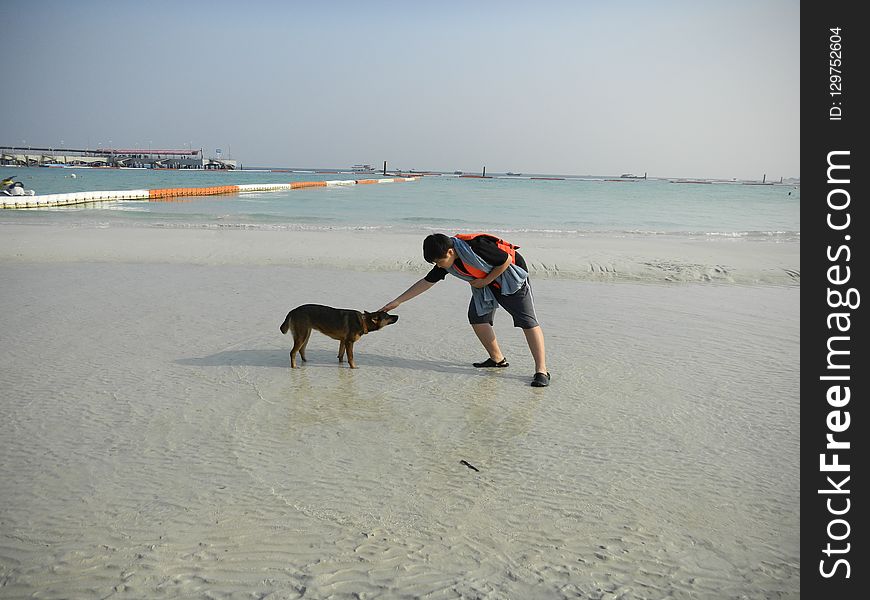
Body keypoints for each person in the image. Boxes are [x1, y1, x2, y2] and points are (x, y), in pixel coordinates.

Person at [379, 232, 550, 387]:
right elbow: (426, 282)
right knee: (477, 317)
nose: (439, 265)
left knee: (527, 322)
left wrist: (485, 281)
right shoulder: (446, 260)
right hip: (484, 281)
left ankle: (542, 371)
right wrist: (397, 301)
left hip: (511, 277)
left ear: (450, 252)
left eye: (439, 261)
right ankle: (497, 359)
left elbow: (504, 260)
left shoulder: (476, 247)